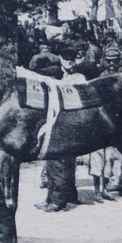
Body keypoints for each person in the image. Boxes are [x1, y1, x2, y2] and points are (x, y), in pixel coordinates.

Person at [30, 50, 78, 212]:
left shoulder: (53, 88)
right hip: (63, 128)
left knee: (55, 164)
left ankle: (56, 200)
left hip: (57, 128)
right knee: (64, 165)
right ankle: (63, 196)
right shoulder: (60, 84)